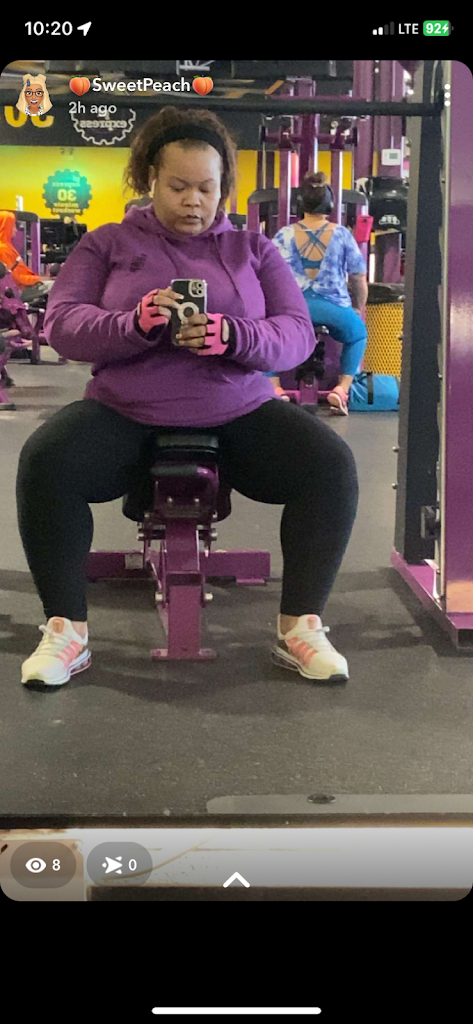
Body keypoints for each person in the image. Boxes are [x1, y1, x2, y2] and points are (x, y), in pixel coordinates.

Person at [16, 107, 359, 688]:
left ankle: (301, 626)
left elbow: (296, 333)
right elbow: (63, 324)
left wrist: (233, 336)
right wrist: (134, 323)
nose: (193, 201)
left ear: (224, 188)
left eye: (206, 188)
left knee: (329, 464)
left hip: (238, 407)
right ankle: (65, 630)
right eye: (178, 186)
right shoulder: (107, 243)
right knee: (46, 461)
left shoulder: (254, 248)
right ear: (151, 179)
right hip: (125, 409)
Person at [267, 170, 368, 416]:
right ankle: (341, 390)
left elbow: (266, 276)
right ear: (330, 205)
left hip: (293, 309)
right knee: (357, 335)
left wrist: (270, 311)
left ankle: (275, 389)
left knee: (264, 335)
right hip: (334, 309)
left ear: (300, 204)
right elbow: (358, 278)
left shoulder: (284, 235)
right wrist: (357, 309)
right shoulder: (342, 234)